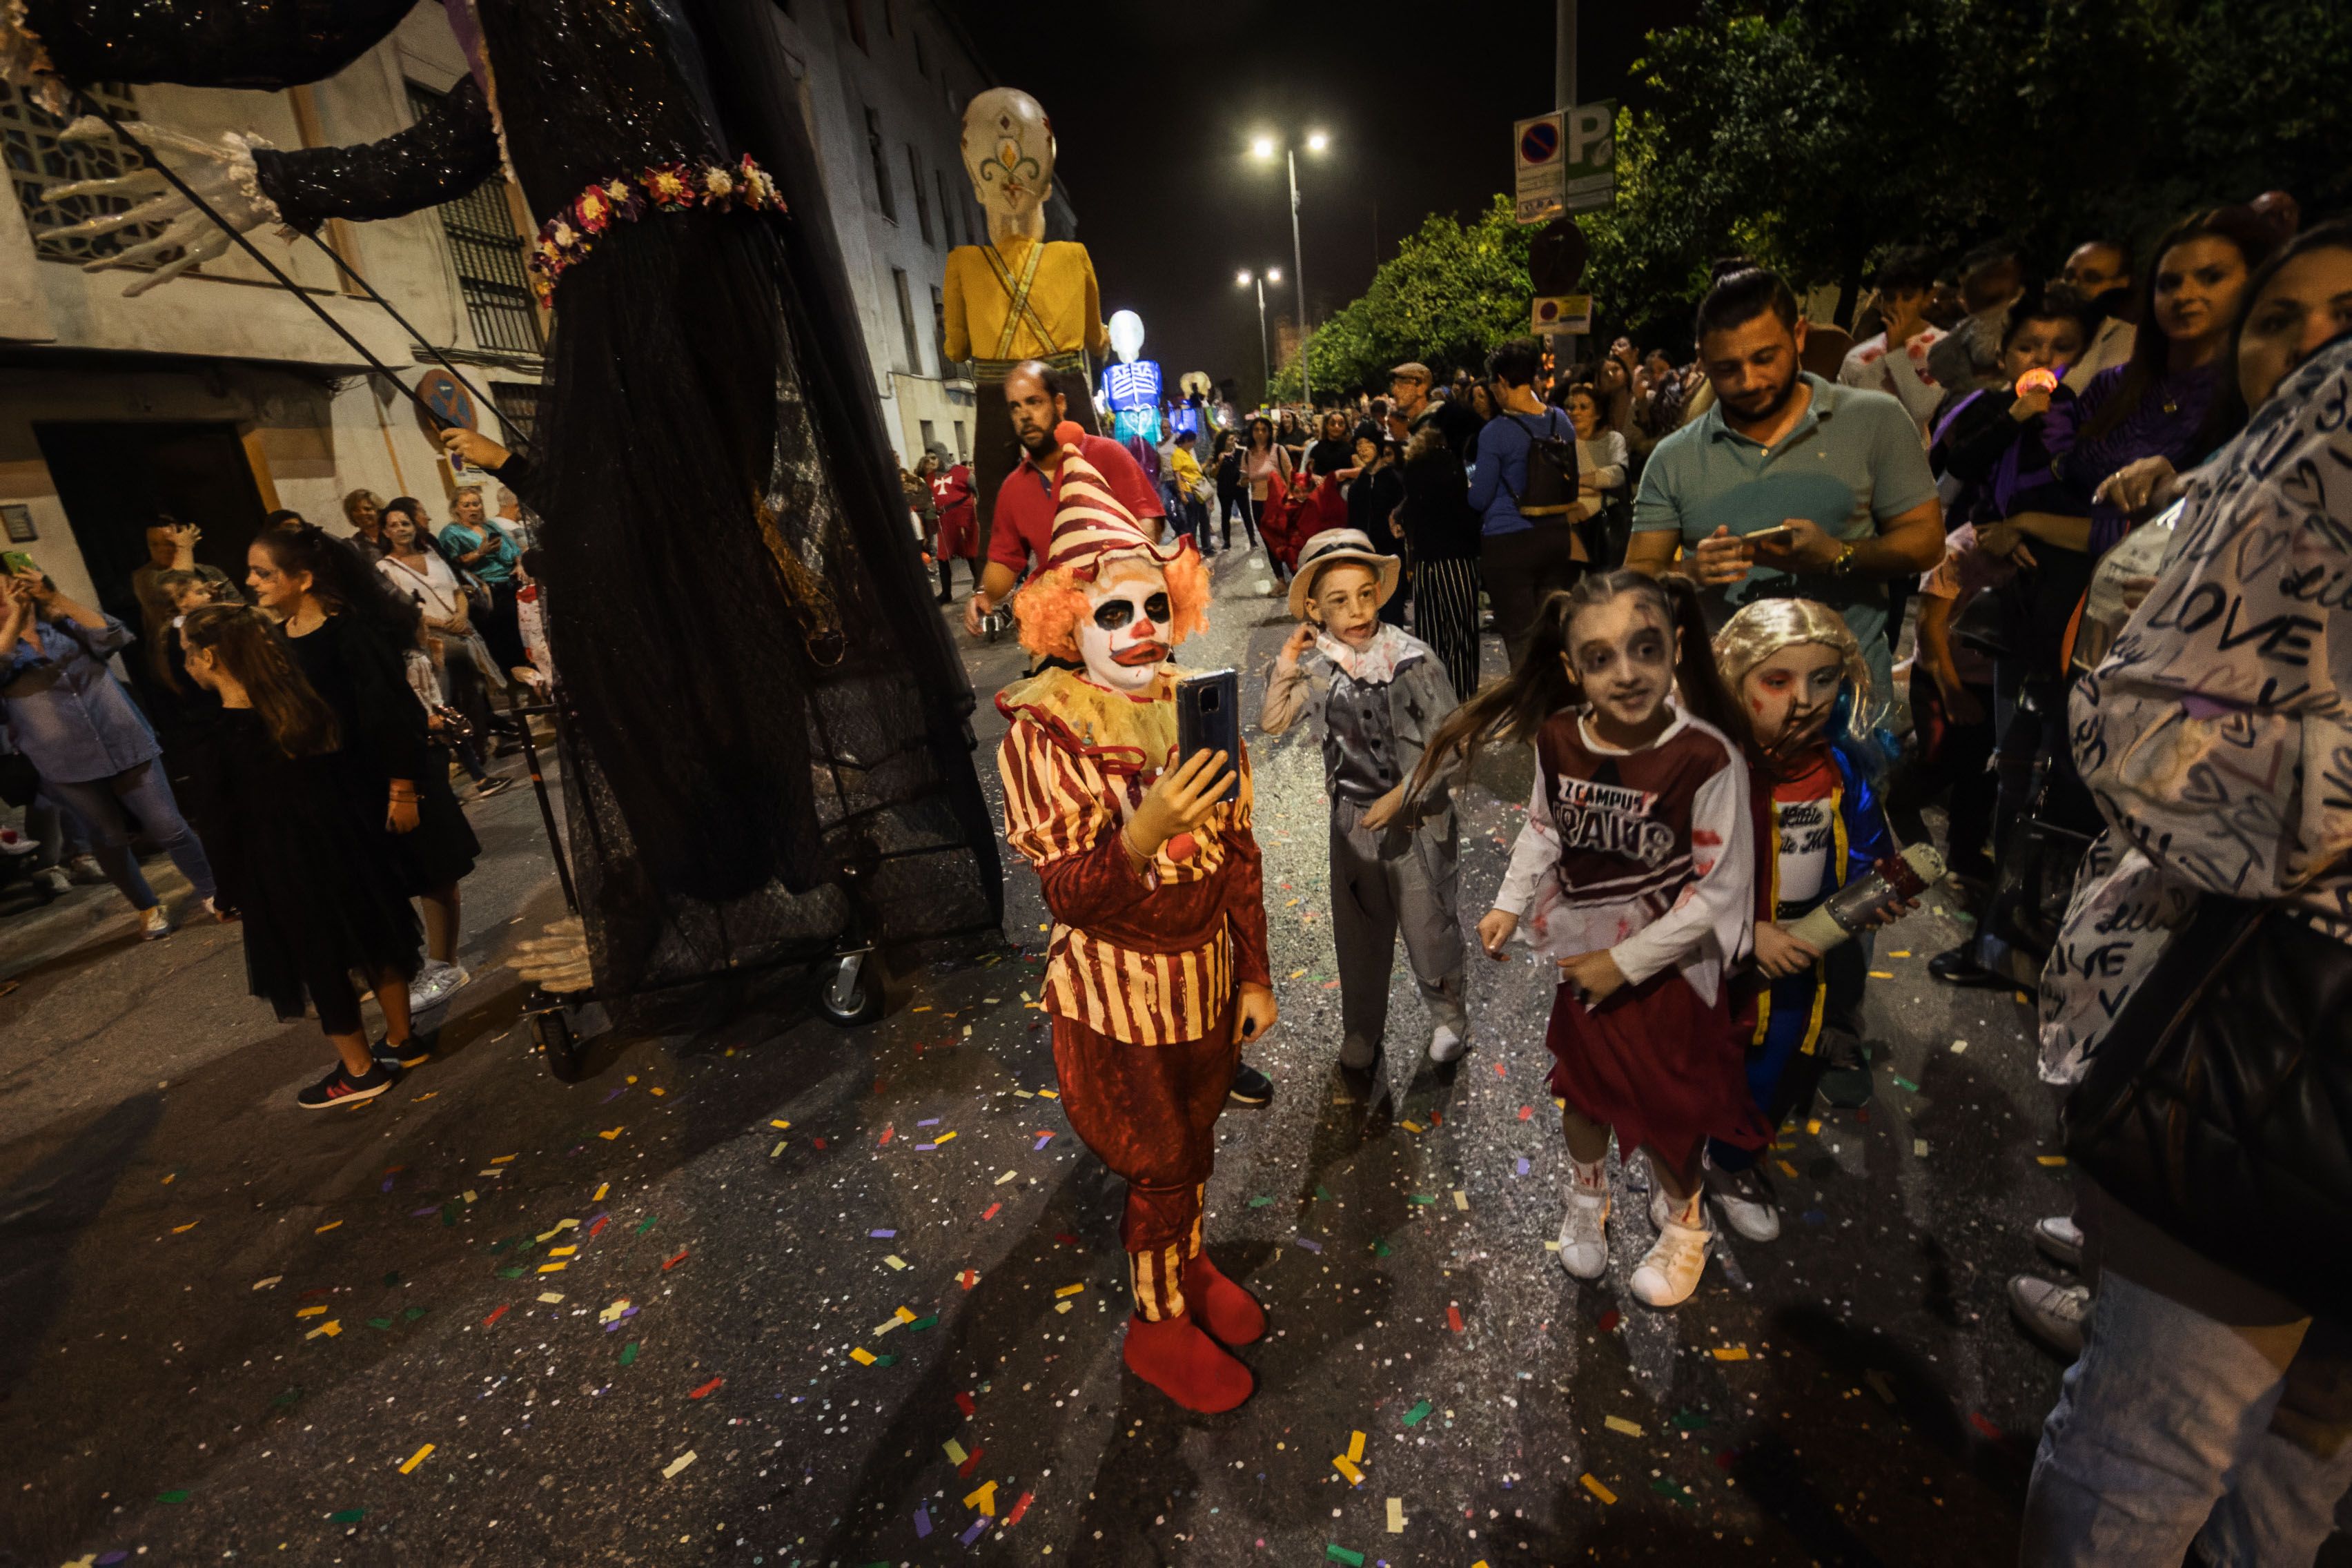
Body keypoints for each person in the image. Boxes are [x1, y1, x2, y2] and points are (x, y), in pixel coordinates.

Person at [2017, 248, 2352, 1568]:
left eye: (2345, 320)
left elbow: (2154, 748)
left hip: (2268, 1011)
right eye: (2286, 318)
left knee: (2274, 1434)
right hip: (2248, 1030)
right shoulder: (2214, 488)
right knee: (2208, 1430)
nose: (2318, 346)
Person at [995, 422, 1277, 1412]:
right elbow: (1067, 893)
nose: (1141, 627)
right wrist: (1141, 833)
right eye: (1112, 610)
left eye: (1155, 604)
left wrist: (1255, 974)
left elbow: (1240, 853)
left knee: (1194, 1144)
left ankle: (1184, 1267)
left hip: (1203, 980)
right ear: (1065, 624)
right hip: (1117, 999)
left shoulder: (1193, 707)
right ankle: (1157, 1327)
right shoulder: (1049, 735)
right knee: (1159, 1159)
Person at [1427, 570, 1759, 1309]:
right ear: (1572, 667)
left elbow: (1722, 889)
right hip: (1588, 962)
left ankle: (1683, 1223)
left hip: (1676, 973)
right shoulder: (1558, 738)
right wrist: (1510, 902)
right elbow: (1546, 826)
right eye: (1602, 657)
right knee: (1584, 1091)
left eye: (1646, 648)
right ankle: (1588, 1197)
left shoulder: (1708, 757)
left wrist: (1626, 962)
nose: (1628, 673)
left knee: (1671, 1105)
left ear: (1675, 648)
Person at [1627, 263, 1945, 698]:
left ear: (1798, 336)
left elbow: (1927, 541)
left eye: (1764, 358)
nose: (1749, 381)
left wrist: (1838, 554)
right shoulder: (1673, 457)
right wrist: (1691, 571)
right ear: (1703, 358)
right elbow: (1639, 573)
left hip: (1848, 715)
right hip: (1724, 712)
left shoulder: (1875, 420)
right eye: (1727, 369)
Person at [178, 603, 423, 1106]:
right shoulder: (305, 705)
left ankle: (359, 1070)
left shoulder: (218, 738)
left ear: (210, 657)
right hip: (345, 843)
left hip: (282, 864)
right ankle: (403, 1038)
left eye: (187, 655)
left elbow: (221, 827)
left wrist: (226, 890)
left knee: (321, 961)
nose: (186, 664)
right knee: (374, 936)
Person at [1706, 599, 1897, 1233]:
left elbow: (1869, 847)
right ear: (1733, 682)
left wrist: (1879, 889)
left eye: (1825, 678)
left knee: (1770, 1067)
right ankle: (1676, 1175)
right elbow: (1666, 875)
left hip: (1797, 964)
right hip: (1707, 962)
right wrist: (1742, 931)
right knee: (1692, 1066)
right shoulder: (1708, 771)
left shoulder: (1841, 769)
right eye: (1777, 681)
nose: (1806, 700)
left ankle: (1731, 1165)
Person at [248, 525, 479, 1021]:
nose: (251, 581)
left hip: (394, 771)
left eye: (262, 572)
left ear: (303, 578)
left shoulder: (351, 631)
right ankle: (398, 967)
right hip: (339, 786)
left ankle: (444, 962)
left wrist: (403, 790)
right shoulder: (277, 639)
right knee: (378, 882)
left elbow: (391, 714)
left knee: (429, 866)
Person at [1260, 529, 1466, 1071]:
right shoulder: (1318, 668)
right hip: (1353, 822)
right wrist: (1287, 658)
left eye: (1365, 595)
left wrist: (1405, 793)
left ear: (1380, 592)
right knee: (1359, 934)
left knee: (1429, 923)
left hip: (1418, 818)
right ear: (1314, 610)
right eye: (1338, 600)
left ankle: (1448, 1016)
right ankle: (1362, 1032)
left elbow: (1456, 746)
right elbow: (1273, 720)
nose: (1357, 610)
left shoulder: (1413, 659)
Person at [1, 563, 220, 937]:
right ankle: (148, 907)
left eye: (5, 588)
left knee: (170, 826)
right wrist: (15, 619)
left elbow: (115, 634)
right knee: (110, 839)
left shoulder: (64, 623)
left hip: (124, 740)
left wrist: (54, 597)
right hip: (65, 763)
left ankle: (215, 892)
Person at [962, 360, 1167, 640]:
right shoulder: (1013, 488)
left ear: (1059, 404)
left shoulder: (1107, 455)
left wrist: (1123, 575)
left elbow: (1147, 522)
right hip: (1067, 632)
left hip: (1130, 621)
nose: (1024, 415)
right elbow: (1004, 560)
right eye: (1015, 407)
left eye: (1034, 402)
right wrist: (985, 595)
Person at [375, 502, 510, 801]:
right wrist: (443, 625)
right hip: (429, 643)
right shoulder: (384, 569)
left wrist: (461, 618)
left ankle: (478, 771)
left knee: (471, 701)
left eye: (405, 523)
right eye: (394, 525)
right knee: (441, 709)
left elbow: (458, 590)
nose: (400, 529)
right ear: (385, 531)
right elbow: (402, 610)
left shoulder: (432, 555)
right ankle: (464, 779)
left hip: (459, 633)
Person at [1469, 336, 1587, 669]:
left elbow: (1479, 499)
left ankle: (1531, 713)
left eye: (1493, 383)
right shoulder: (1561, 420)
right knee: (1554, 634)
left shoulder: (1495, 432)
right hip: (1556, 537)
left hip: (1509, 544)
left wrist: (1470, 484)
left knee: (1521, 640)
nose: (1493, 390)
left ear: (1503, 381)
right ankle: (1560, 708)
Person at [1396, 419, 1485, 698]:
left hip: (1426, 560)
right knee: (1461, 634)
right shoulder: (1454, 463)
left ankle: (1437, 698)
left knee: (1430, 635)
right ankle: (1462, 697)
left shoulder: (1413, 468)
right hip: (1456, 557)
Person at [1839, 247, 1947, 437]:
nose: (1896, 306)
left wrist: (1896, 352)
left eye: (1907, 297)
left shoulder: (1943, 348)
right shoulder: (1858, 358)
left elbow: (1921, 411)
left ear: (1929, 296)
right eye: (1889, 297)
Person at [436, 484, 527, 675]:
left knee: (520, 634)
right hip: (487, 591)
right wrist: (480, 552)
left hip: (511, 583)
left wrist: (519, 564)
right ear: (456, 509)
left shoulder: (490, 525)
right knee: (500, 639)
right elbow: (455, 564)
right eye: (467, 505)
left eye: (476, 504)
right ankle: (511, 680)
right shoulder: (452, 532)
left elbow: (514, 548)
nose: (473, 509)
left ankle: (528, 677)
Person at [1564, 383, 1631, 567]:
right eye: (1571, 407)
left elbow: (1618, 473)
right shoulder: (1564, 444)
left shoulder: (1612, 440)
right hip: (1571, 523)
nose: (1575, 412)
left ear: (1597, 413)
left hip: (1604, 523)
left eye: (1583, 407)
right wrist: (1594, 486)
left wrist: (1581, 482)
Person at [1343, 431, 1406, 626]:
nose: (1362, 449)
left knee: (1392, 607)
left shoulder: (1393, 478)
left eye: (1368, 443)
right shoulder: (1357, 485)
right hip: (1364, 553)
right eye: (1359, 444)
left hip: (1390, 552)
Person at [2057, 238, 2137, 389]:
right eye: (2069, 276)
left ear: (2122, 283)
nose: (2073, 285)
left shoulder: (2121, 336)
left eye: (2091, 278)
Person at [1239, 415, 1292, 571]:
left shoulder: (1278, 450)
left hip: (1279, 502)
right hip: (1258, 503)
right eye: (1256, 430)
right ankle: (1280, 579)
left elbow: (1290, 476)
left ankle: (1296, 573)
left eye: (1264, 430)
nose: (1260, 433)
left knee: (1285, 539)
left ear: (1269, 432)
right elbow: (1243, 479)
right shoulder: (1247, 454)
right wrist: (1243, 481)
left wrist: (1290, 499)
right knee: (1269, 542)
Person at [928, 443, 979, 602]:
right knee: (943, 557)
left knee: (971, 553)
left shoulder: (962, 472)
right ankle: (946, 593)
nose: (932, 462)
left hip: (964, 519)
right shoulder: (931, 477)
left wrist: (975, 508)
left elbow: (977, 490)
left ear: (942, 455)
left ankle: (980, 587)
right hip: (945, 521)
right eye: (929, 459)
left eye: (934, 458)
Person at [1167, 429, 1213, 557]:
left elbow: (1195, 471)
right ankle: (1193, 551)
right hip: (1189, 492)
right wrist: (1182, 494)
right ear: (1186, 440)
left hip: (1198, 491)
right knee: (1193, 521)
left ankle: (1207, 547)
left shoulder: (1188, 453)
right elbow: (1177, 475)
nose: (1194, 444)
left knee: (1204, 519)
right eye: (1193, 441)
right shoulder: (1178, 454)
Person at [1212, 427, 1252, 551]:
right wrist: (1219, 462)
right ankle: (1227, 542)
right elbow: (1213, 475)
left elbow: (1249, 468)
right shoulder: (1218, 455)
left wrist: (1246, 478)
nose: (1233, 440)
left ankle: (1252, 539)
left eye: (1233, 438)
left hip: (1240, 488)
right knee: (1226, 515)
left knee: (1246, 514)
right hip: (1224, 489)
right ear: (1224, 442)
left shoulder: (1240, 452)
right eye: (1230, 439)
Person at [340, 489, 388, 564]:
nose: (362, 513)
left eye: (367, 509)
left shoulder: (394, 534)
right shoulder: (354, 546)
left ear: (379, 511)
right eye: (356, 510)